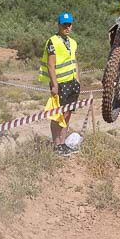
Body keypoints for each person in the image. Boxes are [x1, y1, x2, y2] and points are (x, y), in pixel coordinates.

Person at [39, 12, 79, 155]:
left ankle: (63, 143)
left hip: (72, 83)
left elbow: (74, 61)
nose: (67, 27)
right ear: (59, 25)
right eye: (64, 24)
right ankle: (57, 145)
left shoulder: (73, 42)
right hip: (60, 84)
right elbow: (51, 65)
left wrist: (78, 79)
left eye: (69, 24)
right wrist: (54, 85)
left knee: (67, 114)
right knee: (58, 115)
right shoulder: (53, 41)